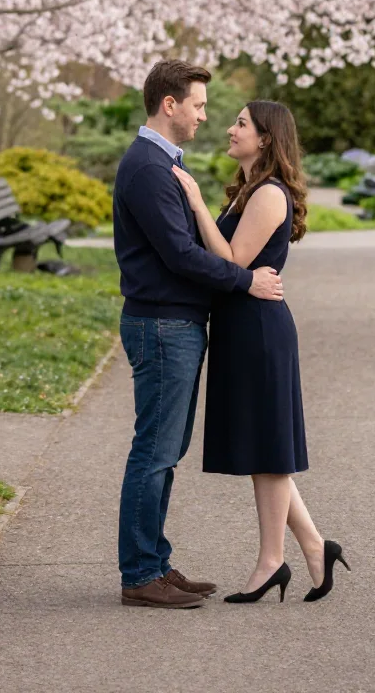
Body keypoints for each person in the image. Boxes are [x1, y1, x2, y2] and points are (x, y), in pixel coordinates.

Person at [113, 60, 286, 609]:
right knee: (156, 452)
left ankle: (155, 563)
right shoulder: (146, 167)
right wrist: (245, 281)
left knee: (166, 450)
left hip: (175, 323)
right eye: (198, 104)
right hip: (162, 323)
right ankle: (141, 574)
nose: (204, 115)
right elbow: (180, 255)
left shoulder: (163, 164)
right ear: (170, 105)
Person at [172, 99, 349, 604]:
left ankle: (273, 560)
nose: (230, 129)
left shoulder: (269, 194)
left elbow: (232, 260)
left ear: (267, 138)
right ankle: (316, 545)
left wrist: (195, 201)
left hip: (259, 332)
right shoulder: (248, 192)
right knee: (263, 448)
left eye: (242, 124)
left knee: (268, 452)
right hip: (240, 327)